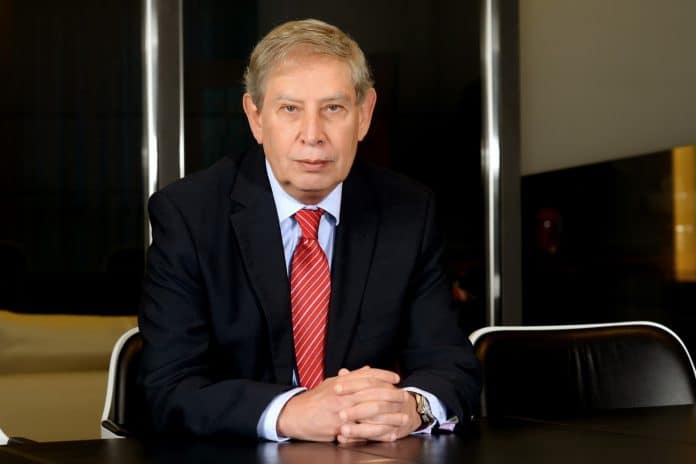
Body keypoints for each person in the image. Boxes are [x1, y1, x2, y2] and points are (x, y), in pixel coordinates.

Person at [138, 18, 480, 443]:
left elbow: (450, 365)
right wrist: (289, 412)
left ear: (364, 114)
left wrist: (412, 407)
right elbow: (168, 388)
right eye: (290, 109)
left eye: (333, 108)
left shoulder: (408, 211)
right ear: (256, 117)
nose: (313, 135)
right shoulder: (189, 215)